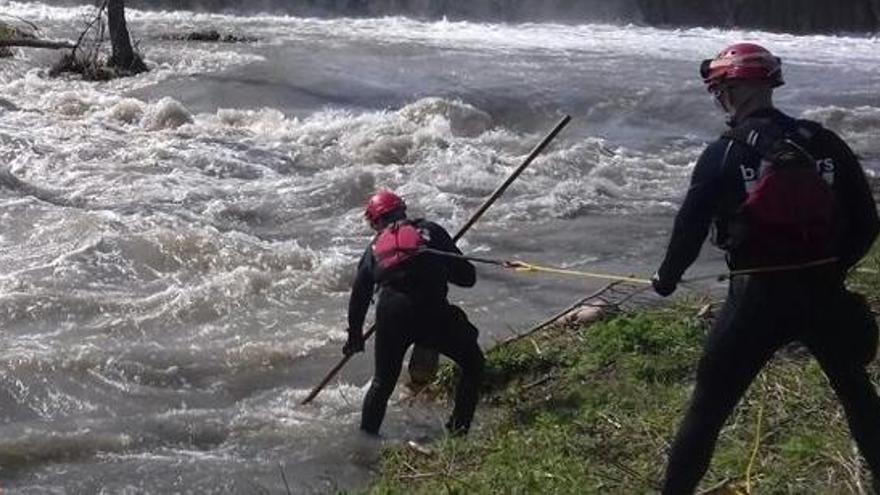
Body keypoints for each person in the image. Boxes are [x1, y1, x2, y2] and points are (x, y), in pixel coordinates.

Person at [652, 43, 880, 493]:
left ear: (732, 91)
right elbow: (868, 222)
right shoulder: (824, 141)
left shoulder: (723, 154)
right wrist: (833, 267)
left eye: (720, 91)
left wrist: (666, 279)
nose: (720, 100)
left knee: (708, 408)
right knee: (857, 394)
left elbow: (689, 231)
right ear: (769, 86)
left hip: (755, 300)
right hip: (823, 291)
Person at [345, 190, 485, 436]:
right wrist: (441, 268)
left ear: (375, 222)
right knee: (473, 363)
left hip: (391, 314)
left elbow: (359, 297)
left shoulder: (373, 249)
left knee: (382, 383)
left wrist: (354, 336)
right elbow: (467, 278)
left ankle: (365, 445)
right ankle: (458, 431)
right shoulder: (430, 231)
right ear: (403, 210)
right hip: (431, 311)